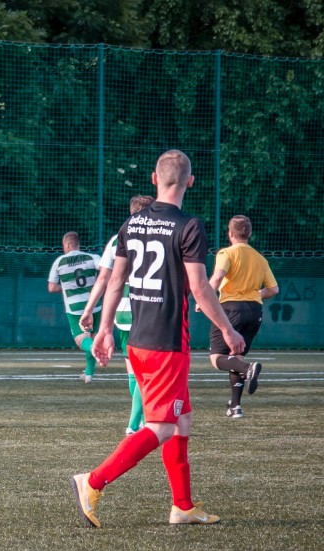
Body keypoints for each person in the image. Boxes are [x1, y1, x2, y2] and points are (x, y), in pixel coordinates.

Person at [70, 150, 245, 528]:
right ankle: (93, 481)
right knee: (162, 427)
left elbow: (116, 281)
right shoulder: (189, 225)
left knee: (182, 421)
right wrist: (228, 330)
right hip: (167, 342)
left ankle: (182, 506)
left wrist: (103, 330)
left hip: (137, 337)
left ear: (153, 179)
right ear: (190, 182)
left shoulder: (131, 223)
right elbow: (199, 287)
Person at [79, 195, 156, 435]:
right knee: (147, 373)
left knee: (134, 372)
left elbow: (104, 278)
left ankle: (140, 420)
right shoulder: (160, 235)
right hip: (150, 310)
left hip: (121, 314)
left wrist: (88, 309)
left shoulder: (117, 239)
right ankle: (135, 424)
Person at [200, 215, 279, 418]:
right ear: (249, 233)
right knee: (235, 356)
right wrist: (254, 294)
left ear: (230, 233)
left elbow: (217, 278)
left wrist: (203, 299)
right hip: (255, 311)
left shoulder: (227, 253)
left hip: (231, 309)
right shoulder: (260, 258)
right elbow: (273, 289)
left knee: (217, 358)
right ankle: (235, 407)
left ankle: (248, 368)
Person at [48, 232, 102, 383]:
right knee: (91, 336)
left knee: (82, 340)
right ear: (78, 244)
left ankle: (96, 349)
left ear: (66, 245)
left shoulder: (59, 262)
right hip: (95, 305)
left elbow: (51, 287)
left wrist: (65, 287)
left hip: (75, 308)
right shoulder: (92, 258)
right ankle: (89, 374)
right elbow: (105, 271)